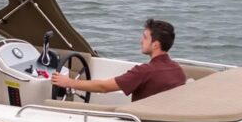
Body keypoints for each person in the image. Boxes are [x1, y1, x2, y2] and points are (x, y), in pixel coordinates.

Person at [51, 19, 187, 102]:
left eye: (145, 37)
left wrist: (68, 82)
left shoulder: (144, 71)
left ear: (155, 44)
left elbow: (103, 87)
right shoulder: (178, 69)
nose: (141, 41)